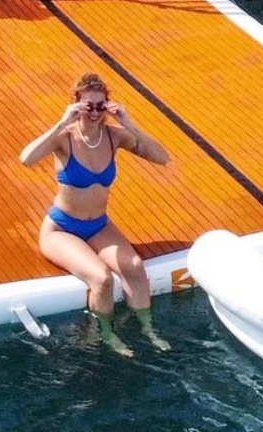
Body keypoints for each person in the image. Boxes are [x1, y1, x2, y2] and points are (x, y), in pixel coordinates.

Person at [19, 73, 171, 356]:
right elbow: (26, 159)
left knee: (135, 268)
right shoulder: (64, 139)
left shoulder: (114, 136)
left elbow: (162, 157)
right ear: (76, 104)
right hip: (62, 229)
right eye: (88, 106)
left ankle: (148, 330)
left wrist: (129, 123)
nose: (94, 112)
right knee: (102, 278)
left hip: (99, 226)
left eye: (100, 106)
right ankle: (103, 335)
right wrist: (62, 122)